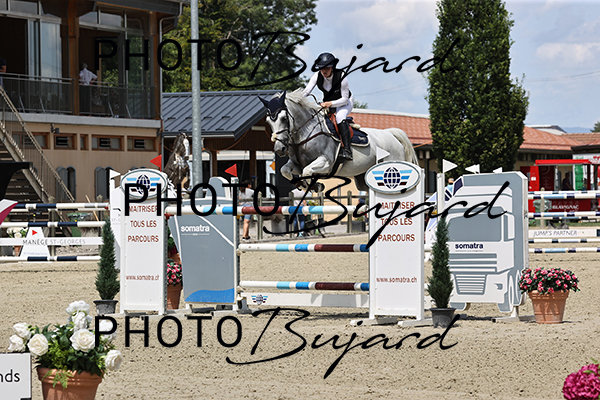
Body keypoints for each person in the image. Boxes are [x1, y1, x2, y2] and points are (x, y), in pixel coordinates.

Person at [303, 52, 354, 161]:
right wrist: (295, 99)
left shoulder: (341, 76)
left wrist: (330, 103)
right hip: (328, 103)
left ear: (332, 67)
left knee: (340, 117)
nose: (324, 71)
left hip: (345, 102)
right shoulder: (317, 76)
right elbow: (306, 91)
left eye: (327, 68)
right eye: (322, 68)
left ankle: (347, 150)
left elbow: (344, 99)